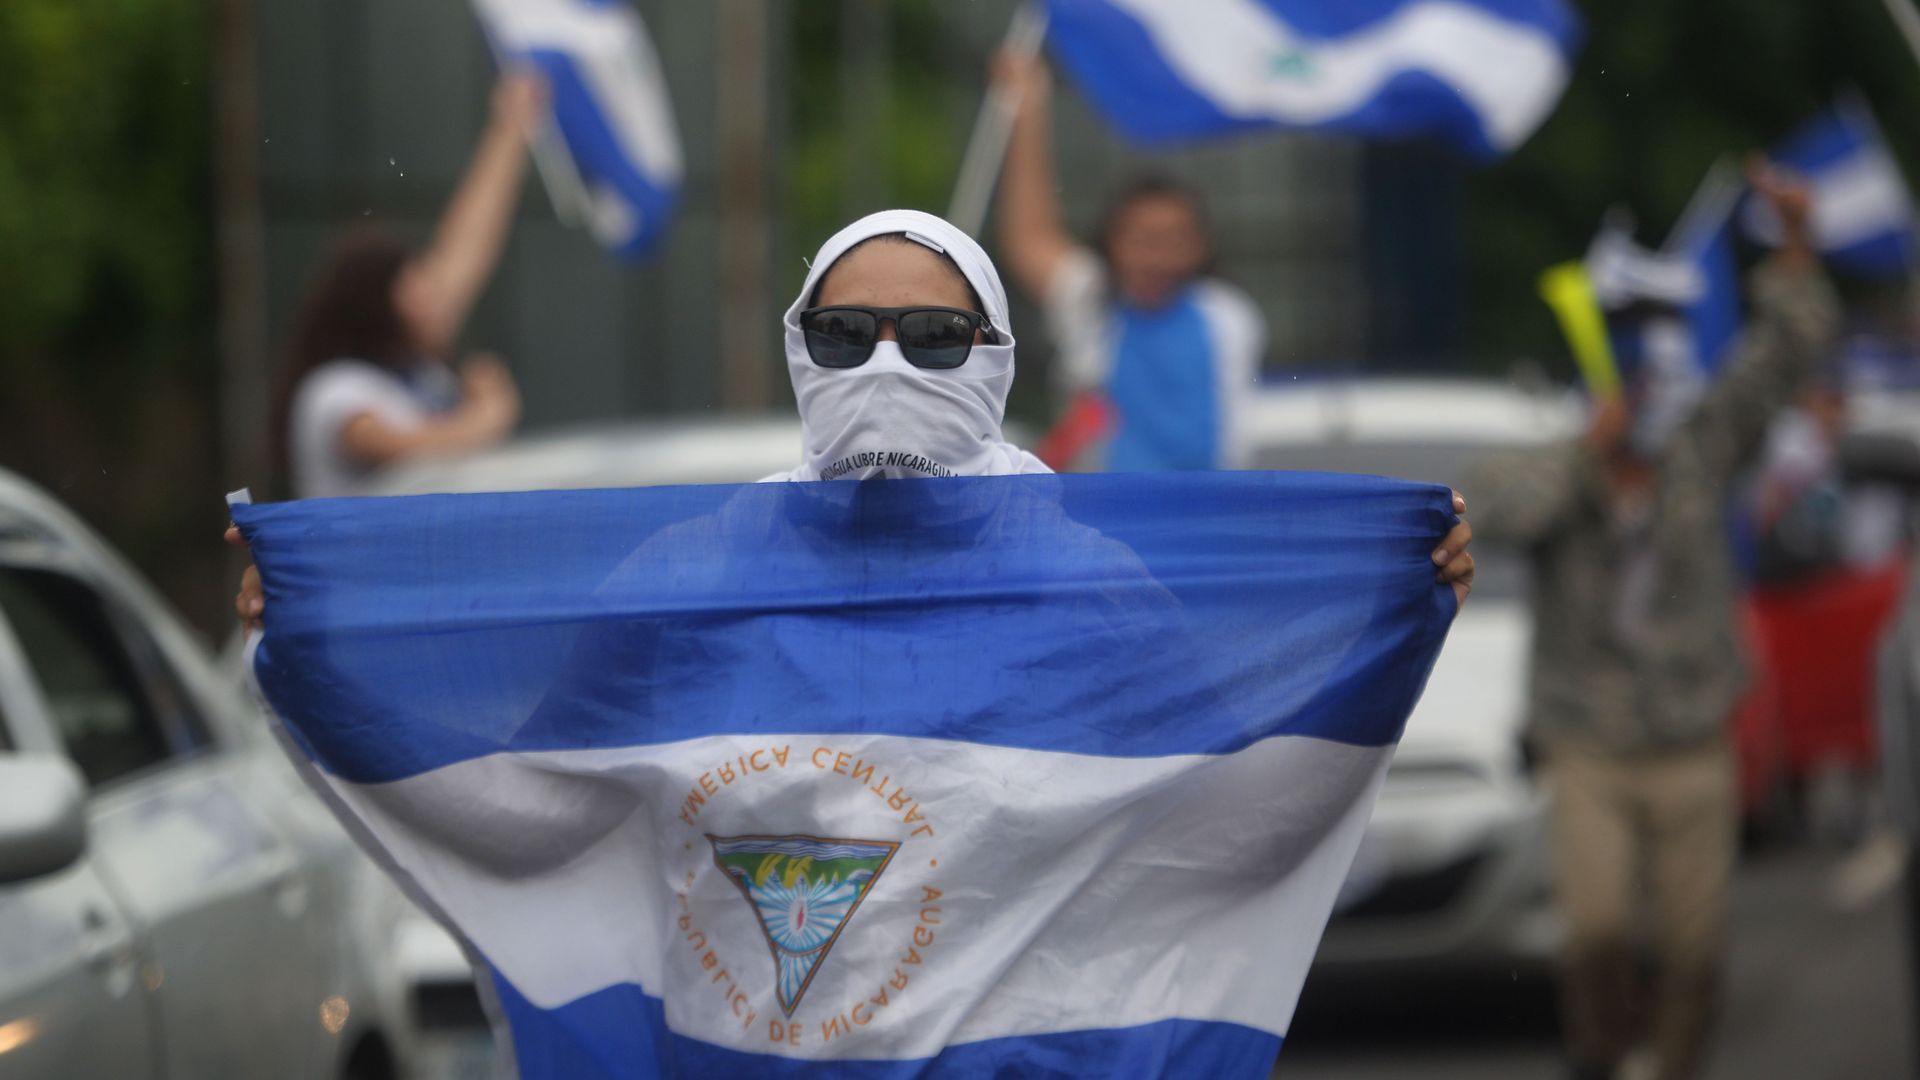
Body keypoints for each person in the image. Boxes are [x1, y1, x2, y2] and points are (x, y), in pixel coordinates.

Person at [231, 206, 1475, 671]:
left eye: (932, 336)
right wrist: (327, 620)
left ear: (993, 355)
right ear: (796, 349)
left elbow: (1220, 759)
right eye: (845, 336)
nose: (884, 365)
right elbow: (546, 760)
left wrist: (1392, 591)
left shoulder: (1090, 563)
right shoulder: (697, 560)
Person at [1469, 161, 1838, 1080]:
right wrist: (1587, 453)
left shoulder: (1702, 452)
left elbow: (1786, 352)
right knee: (1592, 935)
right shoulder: (1563, 466)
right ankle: (1598, 1058)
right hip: (1588, 739)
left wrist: (1794, 242)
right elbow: (1493, 513)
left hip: (1689, 733)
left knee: (1694, 949)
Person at [272, 71, 545, 500]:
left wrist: (512, 128)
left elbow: (469, 246)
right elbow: (404, 450)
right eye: (420, 291)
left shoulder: (415, 374)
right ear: (375, 306)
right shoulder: (336, 389)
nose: (438, 298)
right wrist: (488, 414)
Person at [991, 53, 1266, 473]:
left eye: (1174, 239)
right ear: (1111, 244)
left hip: (1205, 520)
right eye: (1142, 240)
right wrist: (1027, 107)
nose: (1158, 256)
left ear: (1201, 247)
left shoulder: (1229, 316)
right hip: (1107, 520)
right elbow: (1029, 238)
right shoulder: (1091, 301)